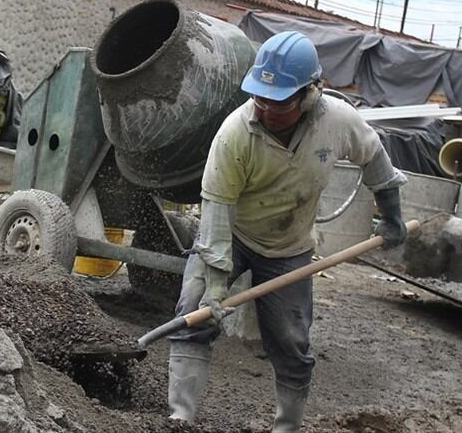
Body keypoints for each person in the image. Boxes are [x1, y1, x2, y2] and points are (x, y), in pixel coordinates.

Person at [167, 31, 407, 432]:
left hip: (289, 248)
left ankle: (287, 428)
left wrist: (393, 216)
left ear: (310, 94)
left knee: (292, 344)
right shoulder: (235, 134)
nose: (264, 108)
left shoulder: (338, 121)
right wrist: (214, 286)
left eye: (278, 101)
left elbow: (376, 160)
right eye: (259, 97)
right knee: (194, 315)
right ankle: (179, 419)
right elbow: (215, 218)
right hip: (233, 235)